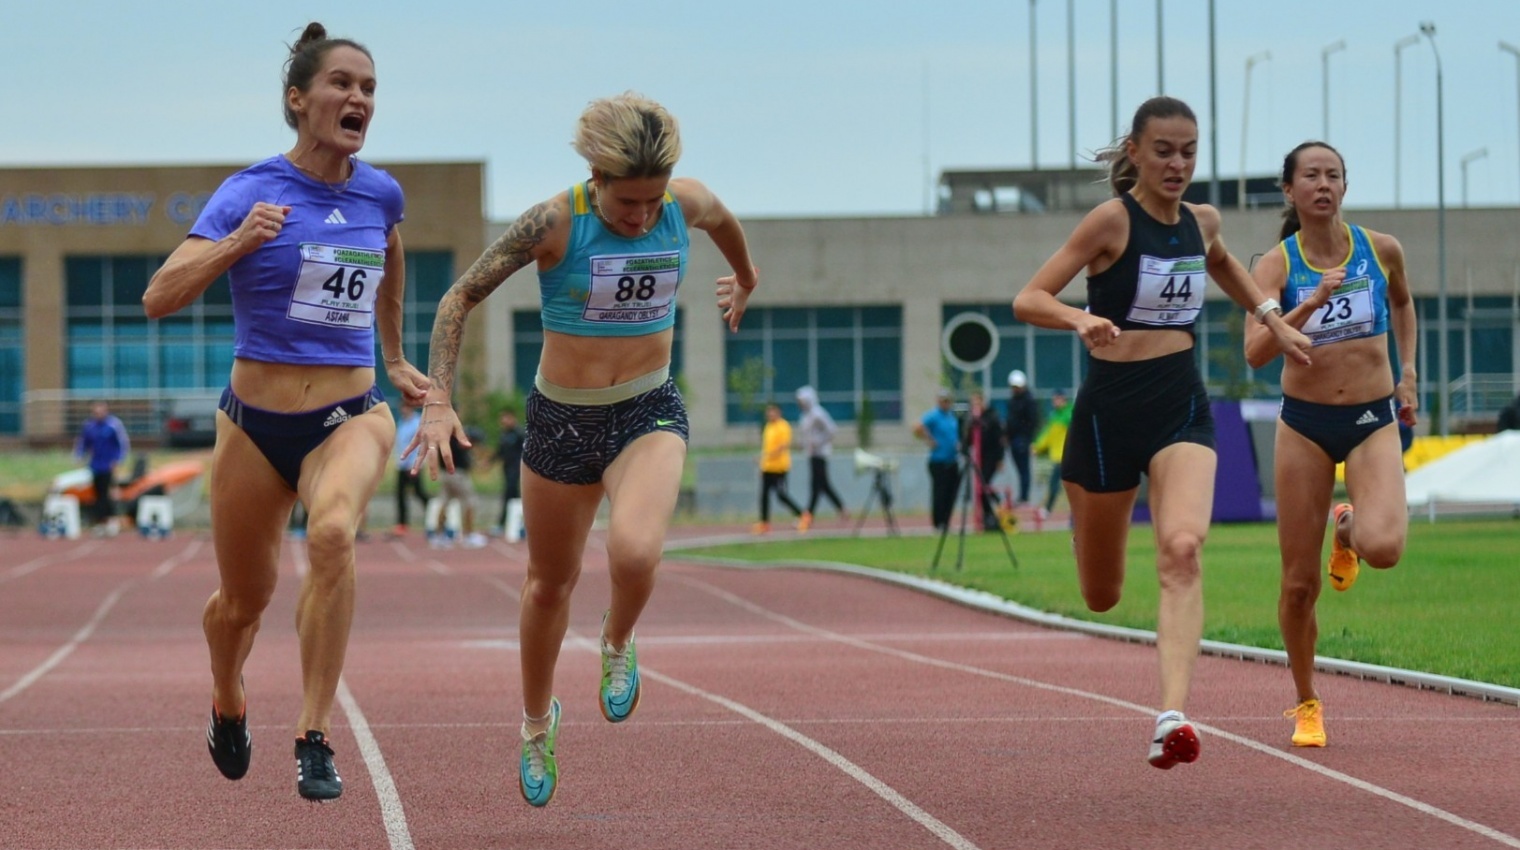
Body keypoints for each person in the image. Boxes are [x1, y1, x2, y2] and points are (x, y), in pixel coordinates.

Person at [405, 92, 758, 807]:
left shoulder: (680, 204)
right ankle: (538, 724)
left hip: (647, 407)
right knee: (548, 585)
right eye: (627, 204)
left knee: (635, 553)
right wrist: (438, 399)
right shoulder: (554, 223)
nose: (640, 217)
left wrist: (745, 279)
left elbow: (721, 218)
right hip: (562, 420)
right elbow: (457, 299)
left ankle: (618, 642)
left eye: (651, 201)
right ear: (596, 177)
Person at [142, 22, 428, 801]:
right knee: (242, 604)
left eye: (368, 88)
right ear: (298, 101)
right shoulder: (249, 191)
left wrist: (395, 353)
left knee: (334, 533)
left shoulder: (380, 192)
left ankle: (313, 733)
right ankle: (228, 698)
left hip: (350, 413)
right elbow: (158, 297)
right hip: (253, 423)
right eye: (342, 84)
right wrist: (236, 242)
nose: (358, 99)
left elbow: (390, 252)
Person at [1012, 96, 1312, 770]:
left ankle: (1171, 716)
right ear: (1136, 154)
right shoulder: (1109, 223)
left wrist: (1274, 315)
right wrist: (1077, 320)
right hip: (1106, 414)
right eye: (1165, 151)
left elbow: (1225, 263)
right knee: (1102, 593)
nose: (1178, 164)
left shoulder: (1202, 221)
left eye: (1189, 151)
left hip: (1181, 403)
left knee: (1182, 549)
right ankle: (1084, 528)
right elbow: (1028, 298)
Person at [1245, 141, 1418, 749]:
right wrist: (1311, 302)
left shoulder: (1381, 249)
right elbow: (1255, 352)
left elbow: (1401, 301)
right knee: (1298, 584)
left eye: (1333, 175)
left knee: (1386, 547)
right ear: (1289, 191)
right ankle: (1306, 700)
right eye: (1310, 176)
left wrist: (1408, 372)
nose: (1323, 185)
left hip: (1372, 418)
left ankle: (1345, 530)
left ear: (1345, 186)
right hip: (1305, 425)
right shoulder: (1275, 265)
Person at [74, 401, 129, 536]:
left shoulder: (113, 425)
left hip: (108, 465)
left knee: (108, 494)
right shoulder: (89, 426)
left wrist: (118, 461)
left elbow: (122, 445)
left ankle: (112, 521)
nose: (98, 414)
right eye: (96, 411)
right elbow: (83, 443)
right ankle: (100, 522)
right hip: (95, 466)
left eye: (101, 411)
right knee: (97, 495)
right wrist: (79, 456)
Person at [428, 426, 488, 549]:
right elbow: (463, 449)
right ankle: (469, 535)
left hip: (445, 473)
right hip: (457, 473)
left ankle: (438, 535)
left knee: (444, 502)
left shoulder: (442, 433)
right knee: (470, 502)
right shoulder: (455, 435)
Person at [795, 386, 847, 523]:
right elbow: (806, 434)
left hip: (821, 453)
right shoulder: (805, 415)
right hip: (811, 454)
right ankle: (841, 508)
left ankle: (808, 515)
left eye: (801, 401)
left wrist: (819, 442)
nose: (800, 404)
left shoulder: (818, 413)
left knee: (816, 484)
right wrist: (803, 444)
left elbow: (832, 430)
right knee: (822, 484)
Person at [755, 402, 809, 534]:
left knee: (781, 495)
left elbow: (782, 446)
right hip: (768, 468)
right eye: (768, 411)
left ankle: (803, 515)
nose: (770, 414)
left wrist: (767, 455)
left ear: (778, 412)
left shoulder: (783, 426)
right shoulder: (768, 427)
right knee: (764, 496)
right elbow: (766, 447)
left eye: (772, 411)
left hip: (779, 468)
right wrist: (762, 465)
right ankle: (764, 522)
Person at [913, 388, 961, 532]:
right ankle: (938, 522)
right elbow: (917, 427)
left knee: (951, 493)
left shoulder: (951, 416)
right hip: (939, 460)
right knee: (940, 492)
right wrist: (929, 440)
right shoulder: (934, 416)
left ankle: (946, 522)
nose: (946, 403)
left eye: (947, 400)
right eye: (943, 400)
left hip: (952, 460)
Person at [965, 390, 1006, 531]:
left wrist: (1000, 459)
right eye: (973, 403)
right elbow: (968, 440)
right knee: (979, 488)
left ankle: (996, 501)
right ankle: (988, 515)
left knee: (983, 485)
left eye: (978, 402)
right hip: (979, 458)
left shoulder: (992, 417)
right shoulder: (972, 420)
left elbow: (999, 440)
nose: (975, 406)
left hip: (991, 457)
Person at [1031, 388, 1071, 518]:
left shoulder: (1069, 414)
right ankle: (1047, 509)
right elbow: (1047, 435)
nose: (1055, 402)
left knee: (1062, 485)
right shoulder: (1055, 416)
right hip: (1058, 457)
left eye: (1057, 399)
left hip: (1068, 456)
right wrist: (1037, 445)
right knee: (1055, 485)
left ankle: (1048, 510)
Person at [392, 402, 429, 536]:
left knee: (419, 492)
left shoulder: (417, 423)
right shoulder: (401, 422)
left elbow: (421, 445)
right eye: (402, 407)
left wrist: (415, 464)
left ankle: (434, 515)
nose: (403, 410)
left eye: (406, 407)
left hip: (413, 465)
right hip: (402, 465)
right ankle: (402, 523)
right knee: (400, 495)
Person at [1004, 370, 1040, 505]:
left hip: (1022, 438)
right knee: (1019, 469)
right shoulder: (1013, 401)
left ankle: (1024, 496)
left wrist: (1027, 437)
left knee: (1024, 468)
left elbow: (1033, 421)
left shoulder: (1029, 400)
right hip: (1014, 438)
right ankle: (1022, 494)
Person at [490, 407, 525, 535]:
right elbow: (500, 452)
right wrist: (489, 462)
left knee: (510, 495)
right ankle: (516, 523)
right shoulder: (504, 434)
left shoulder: (520, 434)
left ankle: (503, 523)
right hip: (507, 469)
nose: (503, 420)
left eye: (506, 417)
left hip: (516, 470)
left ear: (512, 418)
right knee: (513, 496)